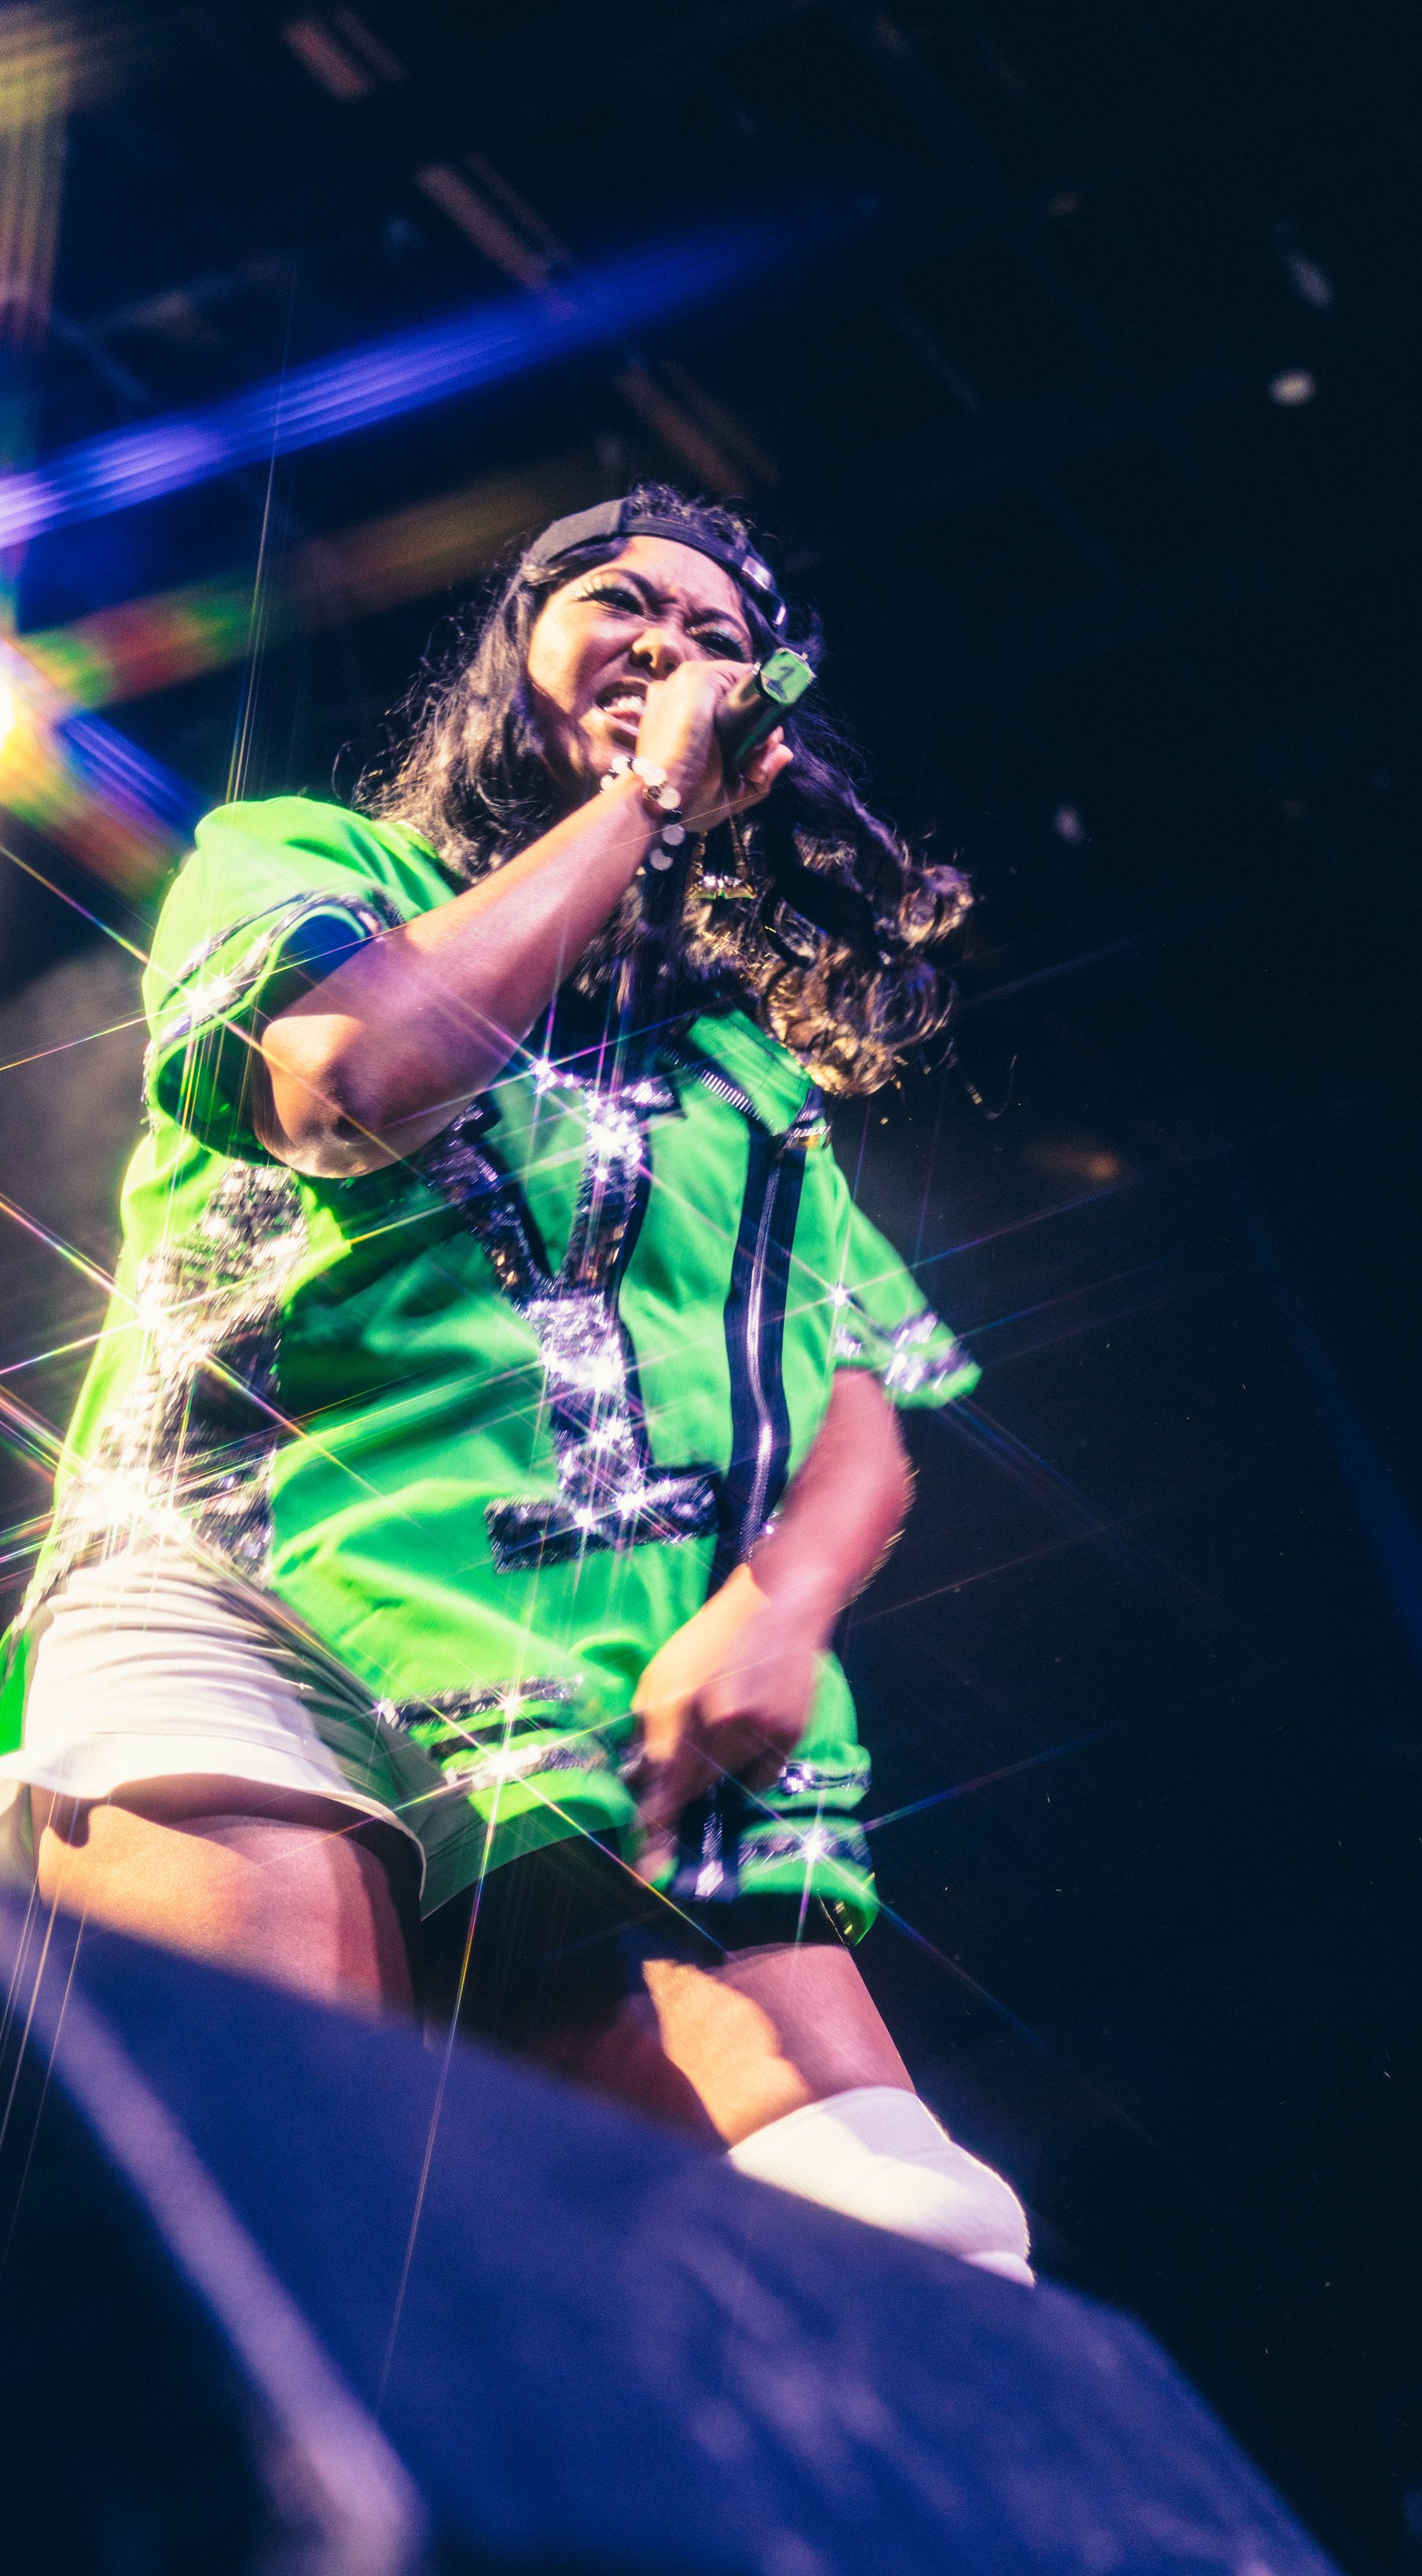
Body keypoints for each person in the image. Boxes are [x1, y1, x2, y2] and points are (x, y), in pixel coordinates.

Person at [0, 480, 1032, 2282]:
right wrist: (640, 801)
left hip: (576, 1701)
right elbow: (349, 1077)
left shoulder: (736, 1070)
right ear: (514, 655)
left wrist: (780, 1604)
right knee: (310, 2237)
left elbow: (863, 1403)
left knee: (918, 2234)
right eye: (626, 603)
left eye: (721, 636)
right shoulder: (305, 861)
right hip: (255, 1613)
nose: (675, 647)